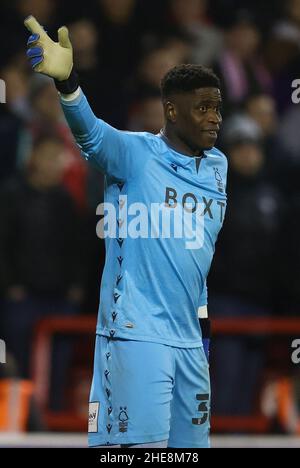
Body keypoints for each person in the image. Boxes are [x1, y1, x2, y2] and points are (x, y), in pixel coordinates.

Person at [24, 15, 227, 448]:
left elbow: (199, 257)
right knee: (133, 454)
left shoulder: (218, 168)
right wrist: (68, 85)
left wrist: (204, 336)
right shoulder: (134, 154)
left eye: (218, 108)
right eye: (203, 108)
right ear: (171, 110)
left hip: (191, 343)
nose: (215, 118)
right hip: (135, 333)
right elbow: (91, 136)